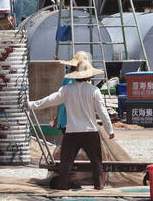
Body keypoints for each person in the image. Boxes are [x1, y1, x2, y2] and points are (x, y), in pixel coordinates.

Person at [28, 56, 114, 190]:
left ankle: (63, 186)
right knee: (96, 162)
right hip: (90, 132)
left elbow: (50, 100)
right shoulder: (94, 91)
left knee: (65, 163)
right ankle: (98, 187)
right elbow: (102, 112)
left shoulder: (67, 90)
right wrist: (110, 130)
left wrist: (32, 104)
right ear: (88, 76)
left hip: (72, 132)